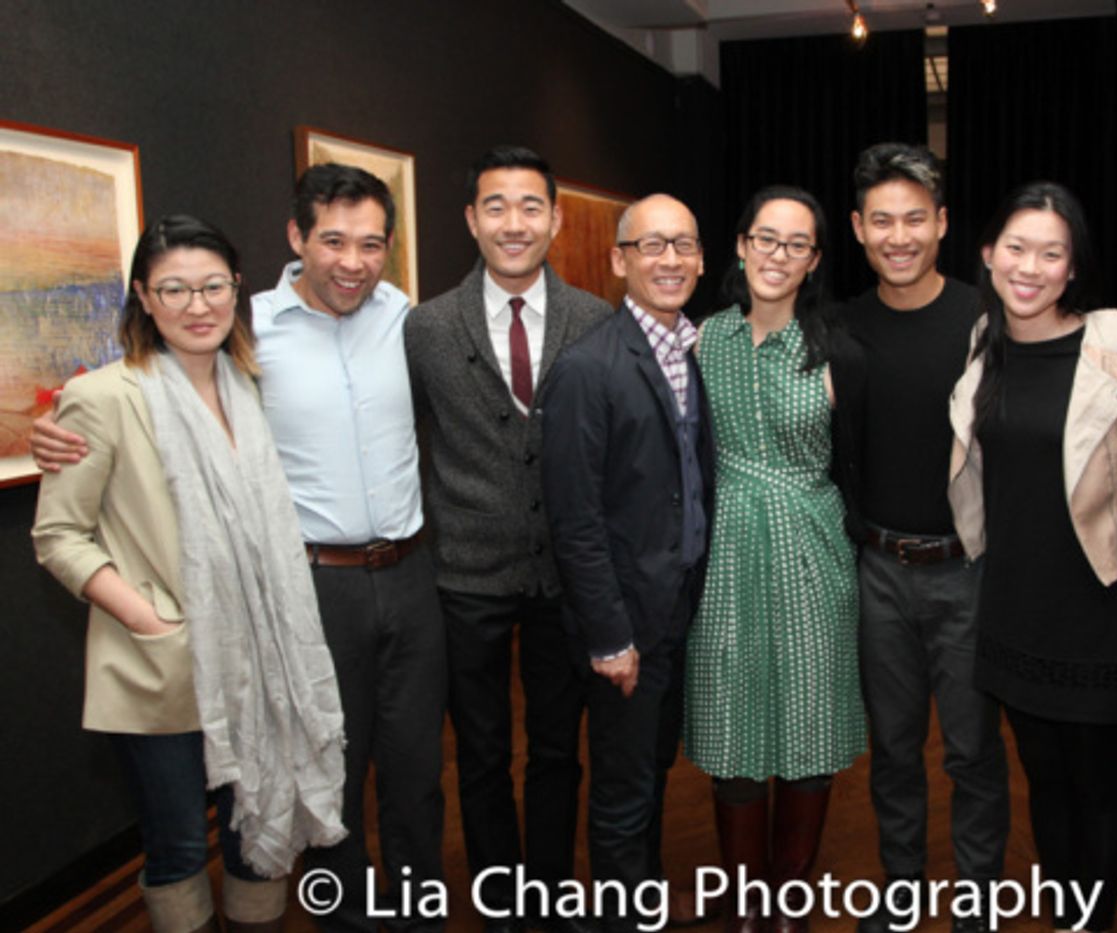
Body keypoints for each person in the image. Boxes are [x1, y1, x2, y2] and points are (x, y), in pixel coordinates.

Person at [33, 165, 448, 932]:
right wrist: (54, 431)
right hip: (295, 592)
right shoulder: (250, 336)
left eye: (370, 244)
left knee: (403, 775)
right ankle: (347, 918)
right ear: (296, 238)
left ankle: (419, 916)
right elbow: (86, 484)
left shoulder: (396, 322)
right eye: (333, 240)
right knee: (310, 778)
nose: (352, 261)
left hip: (387, 583)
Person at [404, 145, 611, 933]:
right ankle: (502, 902)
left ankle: (552, 897)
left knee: (559, 749)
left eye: (531, 206)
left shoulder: (596, 320)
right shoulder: (424, 327)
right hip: (466, 577)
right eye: (496, 205)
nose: (514, 222)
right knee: (483, 753)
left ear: (555, 219)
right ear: (470, 219)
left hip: (566, 576)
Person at [948, 182, 1117, 932]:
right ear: (990, 255)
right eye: (1017, 248)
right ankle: (1066, 914)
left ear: (1072, 267)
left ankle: (1094, 920)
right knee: (1042, 780)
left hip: (1092, 603)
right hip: (1011, 603)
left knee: (1096, 783)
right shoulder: (982, 344)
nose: (1031, 266)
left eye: (1051, 253)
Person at [832, 142, 1009, 933]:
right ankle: (901, 892)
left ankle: (976, 906)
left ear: (941, 223)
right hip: (876, 568)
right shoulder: (838, 327)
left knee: (972, 752)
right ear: (858, 230)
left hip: (967, 572)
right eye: (881, 221)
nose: (897, 235)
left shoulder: (989, 321)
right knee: (894, 751)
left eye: (914, 218)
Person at [682, 185, 863, 933]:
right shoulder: (704, 339)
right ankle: (741, 897)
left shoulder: (838, 348)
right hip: (724, 550)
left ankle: (785, 901)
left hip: (813, 551)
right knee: (731, 725)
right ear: (741, 244)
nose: (777, 255)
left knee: (810, 722)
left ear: (815, 259)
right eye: (766, 237)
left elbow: (861, 464)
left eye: (796, 243)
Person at [539, 194, 714, 933]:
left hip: (677, 606)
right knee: (620, 788)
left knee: (650, 771)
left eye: (683, 244)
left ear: (702, 259)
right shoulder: (588, 367)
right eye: (651, 245)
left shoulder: (693, 350)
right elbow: (573, 519)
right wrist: (610, 636)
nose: (669, 259)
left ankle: (642, 894)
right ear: (619, 260)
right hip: (626, 624)